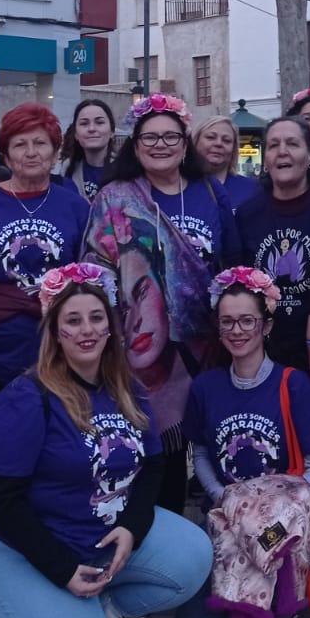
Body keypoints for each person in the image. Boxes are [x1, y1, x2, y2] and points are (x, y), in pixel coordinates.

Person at [0, 264, 212, 618]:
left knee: (193, 557)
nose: (87, 330)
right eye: (74, 320)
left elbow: (154, 466)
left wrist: (133, 527)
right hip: (29, 549)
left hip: (98, 536)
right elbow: (1, 500)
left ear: (110, 326)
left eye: (96, 318)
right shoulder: (27, 398)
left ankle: (95, 612)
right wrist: (61, 569)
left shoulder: (127, 388)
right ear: (55, 332)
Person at [0, 103, 92, 618]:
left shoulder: (72, 204)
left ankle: (47, 562)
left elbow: (88, 275)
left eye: (41, 143)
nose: (31, 152)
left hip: (57, 366)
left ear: (56, 149)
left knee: (52, 470)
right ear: (5, 151)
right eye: (20, 144)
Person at [84, 93, 237, 513]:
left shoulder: (209, 191)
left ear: (185, 145)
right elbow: (95, 268)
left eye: (171, 137)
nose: (161, 145)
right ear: (135, 146)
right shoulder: (115, 197)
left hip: (205, 346)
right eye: (150, 137)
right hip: (139, 347)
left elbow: (231, 261)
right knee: (153, 450)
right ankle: (148, 532)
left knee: (204, 445)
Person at [176, 267, 310, 618]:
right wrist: (224, 499)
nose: (237, 330)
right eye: (227, 322)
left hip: (281, 522)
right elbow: (199, 453)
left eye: (247, 320)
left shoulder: (292, 384)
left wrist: (277, 511)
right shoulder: (206, 386)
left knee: (269, 594)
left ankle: (279, 590)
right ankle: (241, 595)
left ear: (266, 326)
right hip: (226, 515)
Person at [235, 116, 310, 372]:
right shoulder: (247, 214)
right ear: (265, 160)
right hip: (267, 346)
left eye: (292, 143)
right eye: (274, 145)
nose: (282, 151)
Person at [193, 115, 262, 211]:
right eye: (211, 137)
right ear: (195, 142)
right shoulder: (179, 186)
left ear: (234, 149)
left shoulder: (252, 189)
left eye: (226, 140)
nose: (218, 143)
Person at [60, 99, 117, 201]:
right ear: (76, 134)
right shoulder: (67, 168)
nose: (91, 129)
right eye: (84, 123)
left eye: (99, 122)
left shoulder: (125, 169)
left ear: (112, 131)